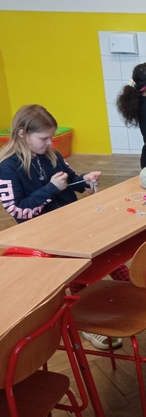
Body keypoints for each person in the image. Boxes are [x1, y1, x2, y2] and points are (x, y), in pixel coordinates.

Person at [0, 104, 125, 351]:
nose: (50, 143)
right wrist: (51, 189)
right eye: (43, 138)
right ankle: (86, 322)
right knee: (76, 272)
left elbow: (70, 179)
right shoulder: (7, 167)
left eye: (51, 137)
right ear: (22, 134)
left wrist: (84, 181)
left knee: (110, 254)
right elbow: (18, 210)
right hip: (43, 236)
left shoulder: (52, 155)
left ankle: (137, 294)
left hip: (72, 223)